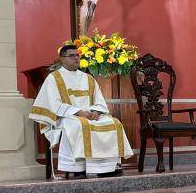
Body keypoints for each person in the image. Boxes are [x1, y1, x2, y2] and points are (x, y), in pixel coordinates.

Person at [29, 44, 133, 178]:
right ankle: (78, 168)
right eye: (71, 56)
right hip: (66, 117)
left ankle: (107, 167)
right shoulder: (54, 78)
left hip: (90, 115)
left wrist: (96, 112)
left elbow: (99, 101)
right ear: (62, 58)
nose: (76, 58)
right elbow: (53, 104)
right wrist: (79, 112)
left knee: (114, 122)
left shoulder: (88, 78)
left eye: (77, 55)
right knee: (77, 125)